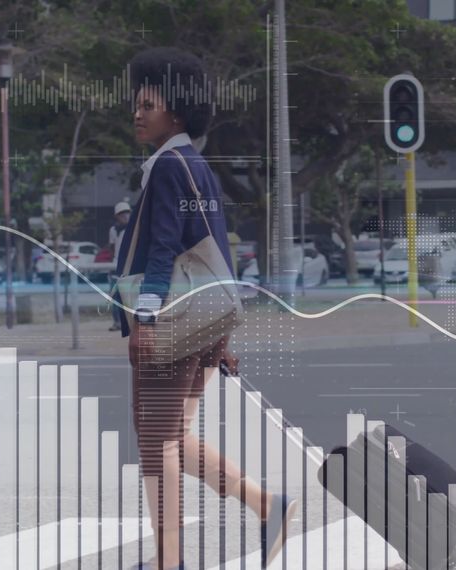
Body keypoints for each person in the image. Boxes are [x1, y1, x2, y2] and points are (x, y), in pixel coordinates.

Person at [115, 47, 297, 570]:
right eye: (137, 103)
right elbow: (217, 253)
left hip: (170, 324)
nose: (137, 112)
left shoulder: (170, 167)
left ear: (175, 112)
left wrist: (144, 320)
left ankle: (169, 561)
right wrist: (220, 336)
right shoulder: (199, 168)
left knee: (156, 443)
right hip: (198, 324)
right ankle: (268, 506)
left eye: (148, 104)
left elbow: (164, 250)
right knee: (170, 437)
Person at [109, 200, 132, 331]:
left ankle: (129, 322)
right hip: (115, 265)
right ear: (116, 216)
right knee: (114, 295)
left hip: (128, 265)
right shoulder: (113, 230)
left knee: (128, 295)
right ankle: (117, 322)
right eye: (121, 214)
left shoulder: (133, 229)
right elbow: (112, 246)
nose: (125, 216)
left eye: (127, 213)